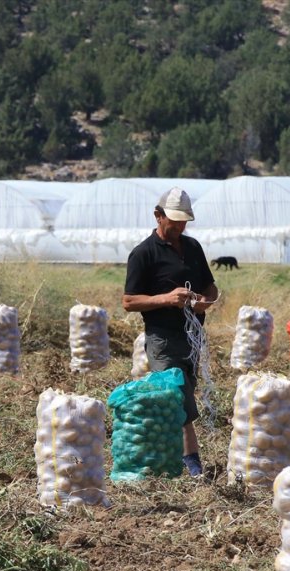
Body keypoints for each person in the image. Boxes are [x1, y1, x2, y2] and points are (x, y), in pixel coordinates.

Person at [122, 187, 219, 477]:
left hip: (191, 336)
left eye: (183, 222)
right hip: (162, 337)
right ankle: (191, 460)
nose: (179, 227)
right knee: (176, 392)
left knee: (183, 390)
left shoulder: (193, 248)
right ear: (158, 215)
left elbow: (210, 286)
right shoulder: (143, 254)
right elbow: (129, 301)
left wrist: (206, 302)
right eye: (173, 221)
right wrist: (166, 299)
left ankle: (167, 456)